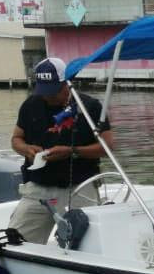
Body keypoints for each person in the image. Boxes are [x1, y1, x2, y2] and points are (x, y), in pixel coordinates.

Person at [8, 57, 114, 244]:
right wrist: (26, 149)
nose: (48, 96)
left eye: (54, 91)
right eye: (44, 91)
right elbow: (16, 139)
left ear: (67, 83)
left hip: (80, 187)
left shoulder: (90, 107)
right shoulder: (30, 105)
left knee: (91, 245)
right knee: (16, 241)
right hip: (39, 188)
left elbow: (107, 147)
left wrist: (71, 151)